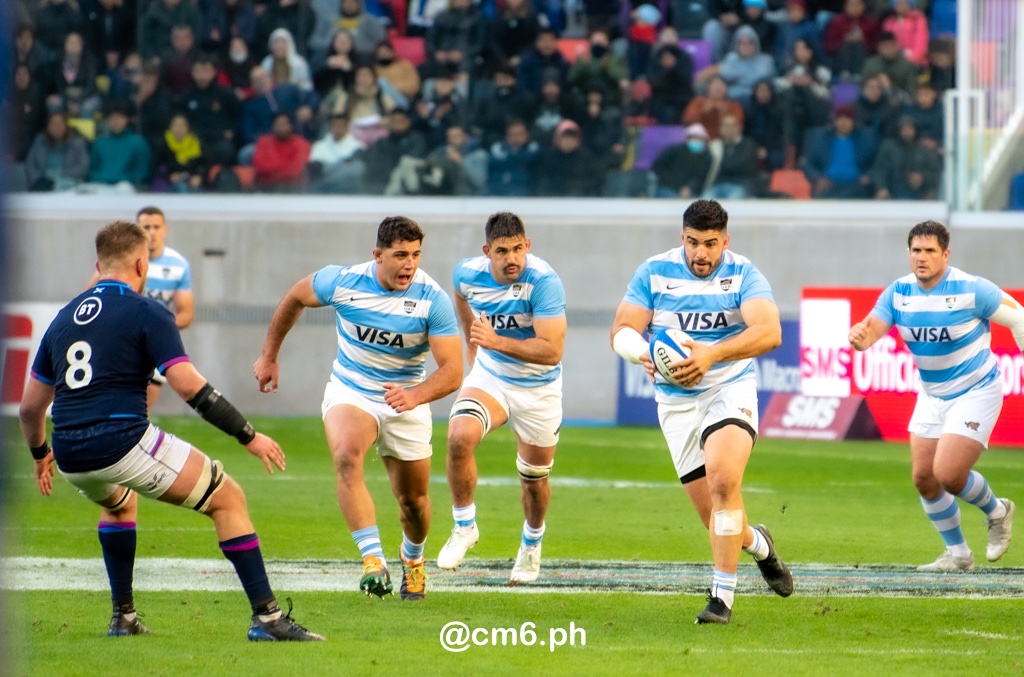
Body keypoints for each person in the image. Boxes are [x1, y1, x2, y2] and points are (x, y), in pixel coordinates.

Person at [19, 220, 322, 642]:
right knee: (228, 498)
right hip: (122, 441)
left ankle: (123, 617)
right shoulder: (148, 311)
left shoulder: (63, 318)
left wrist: (40, 455)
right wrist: (249, 436)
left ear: (98, 264)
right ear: (142, 264)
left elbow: (31, 407)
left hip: (69, 451)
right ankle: (268, 620)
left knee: (120, 505)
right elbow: (188, 386)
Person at [254, 216, 463, 601]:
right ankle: (372, 561)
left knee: (413, 503)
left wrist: (415, 396)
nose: (409, 265)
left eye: (416, 255)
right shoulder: (343, 281)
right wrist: (269, 356)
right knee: (347, 456)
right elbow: (295, 297)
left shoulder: (432, 299)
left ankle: (412, 562)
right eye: (400, 255)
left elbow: (453, 371)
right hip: (352, 390)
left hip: (407, 398)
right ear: (377, 254)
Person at [610, 198, 794, 625]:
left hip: (729, 389)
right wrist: (642, 354)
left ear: (725, 241)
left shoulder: (743, 274)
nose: (701, 254)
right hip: (675, 405)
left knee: (725, 479)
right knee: (717, 516)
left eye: (711, 244)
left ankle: (721, 600)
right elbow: (621, 329)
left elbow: (769, 332)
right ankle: (760, 544)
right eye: (693, 243)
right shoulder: (654, 272)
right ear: (682, 238)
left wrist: (713, 355)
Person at [849, 221, 1021, 572]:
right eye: (916, 250)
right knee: (924, 478)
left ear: (946, 254)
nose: (922, 258)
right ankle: (958, 555)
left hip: (976, 391)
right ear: (908, 253)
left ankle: (998, 511)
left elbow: (1018, 317)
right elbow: (870, 334)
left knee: (949, 474)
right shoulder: (898, 293)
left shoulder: (972, 289)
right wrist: (859, 338)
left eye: (930, 251)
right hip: (932, 395)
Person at [437, 212, 567, 583]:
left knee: (534, 481)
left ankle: (531, 545)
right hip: (492, 377)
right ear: (487, 252)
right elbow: (461, 296)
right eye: (502, 251)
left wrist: (495, 342)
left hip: (539, 389)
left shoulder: (543, 282)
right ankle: (464, 526)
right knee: (459, 436)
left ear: (528, 246)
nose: (512, 259)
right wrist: (473, 345)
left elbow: (552, 351)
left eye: (517, 249)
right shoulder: (468, 273)